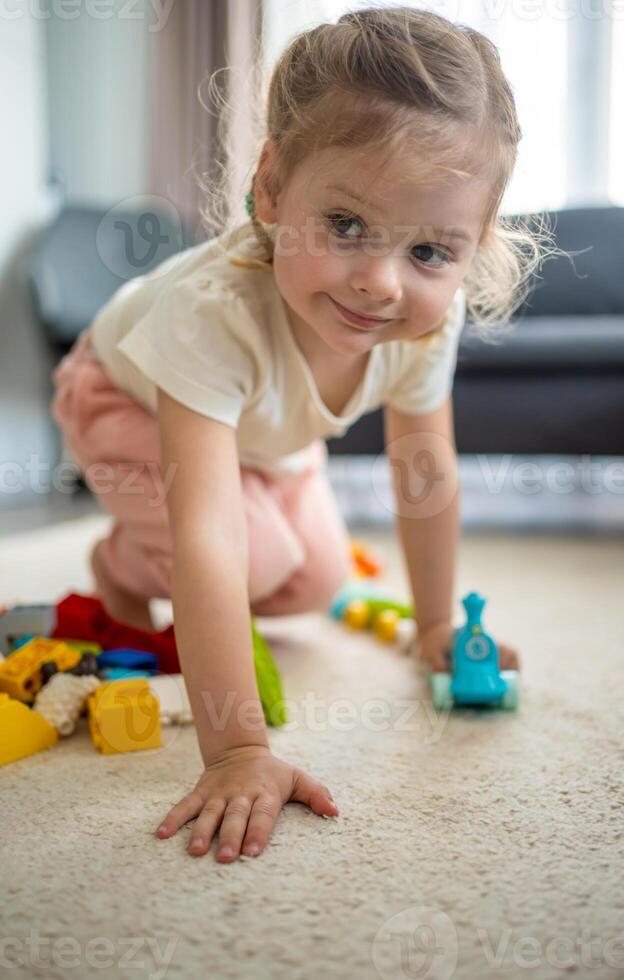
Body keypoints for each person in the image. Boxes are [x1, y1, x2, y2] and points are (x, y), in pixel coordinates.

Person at [51, 6, 555, 864]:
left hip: (259, 438)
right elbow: (207, 533)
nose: (381, 283)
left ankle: (154, 548)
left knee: (310, 582)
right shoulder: (213, 313)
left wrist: (436, 626)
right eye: (348, 225)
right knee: (253, 554)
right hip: (125, 402)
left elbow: (423, 471)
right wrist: (239, 750)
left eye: (431, 251)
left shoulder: (427, 325)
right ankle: (124, 564)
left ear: (472, 245)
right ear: (274, 187)